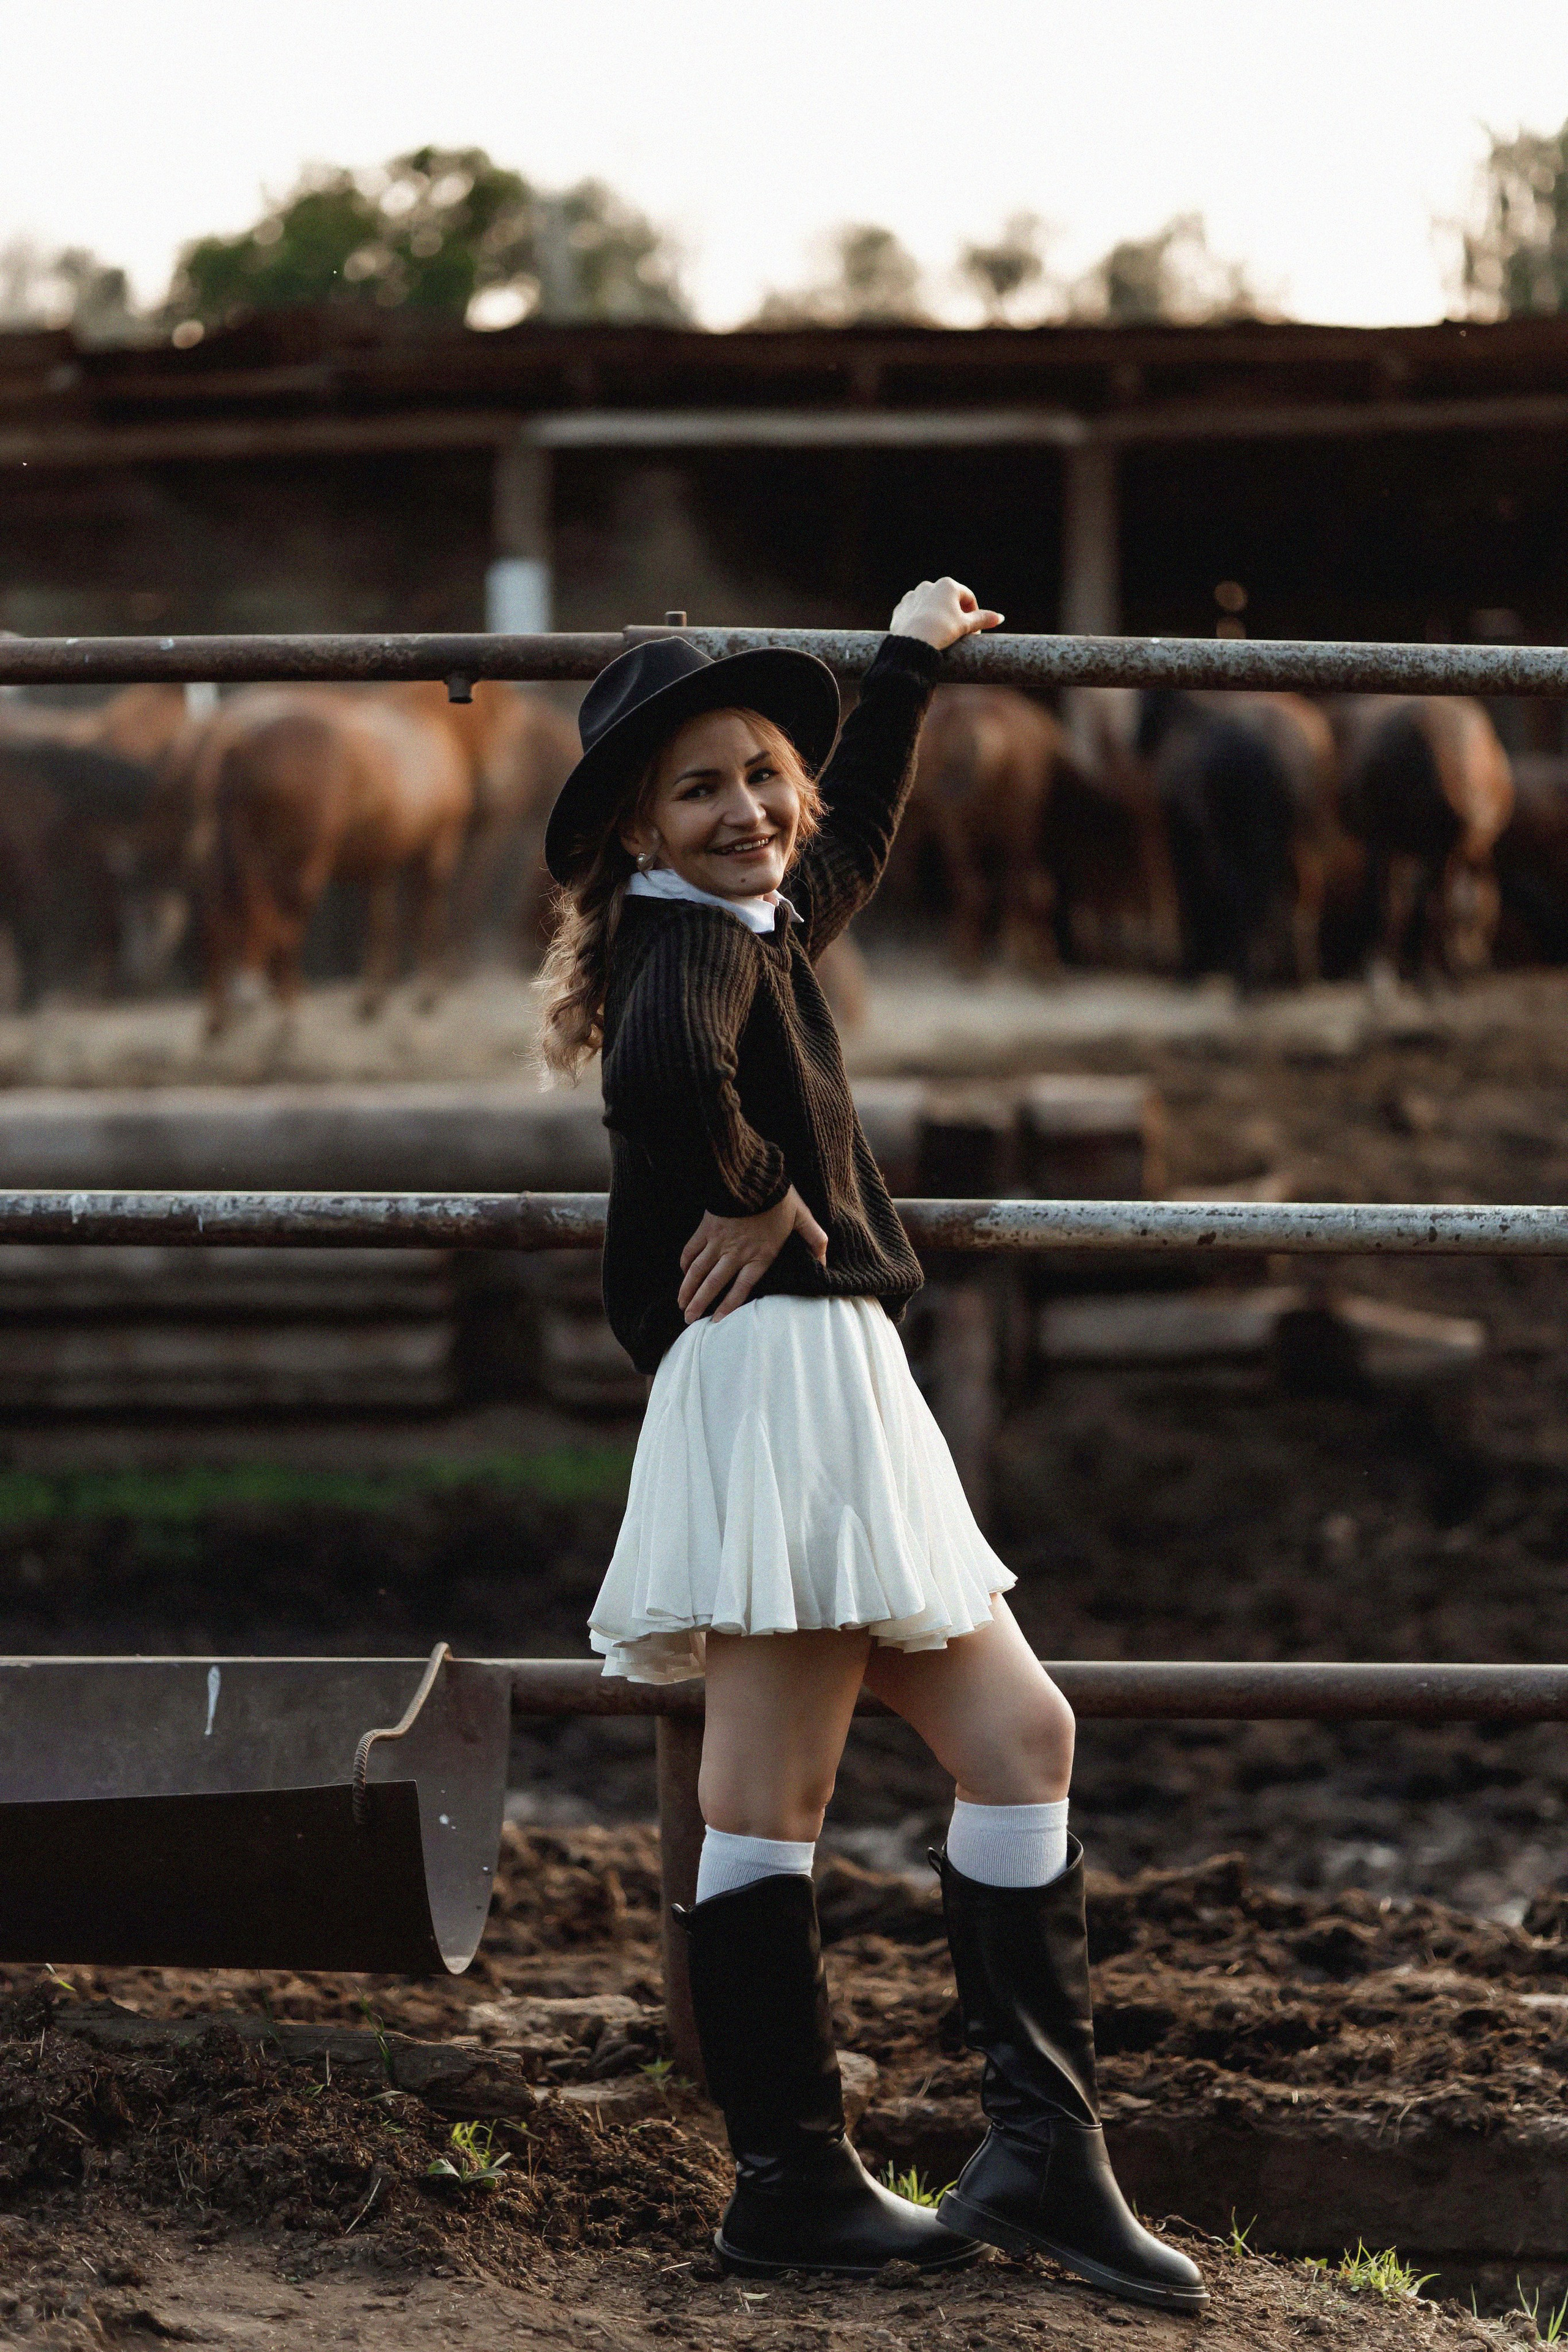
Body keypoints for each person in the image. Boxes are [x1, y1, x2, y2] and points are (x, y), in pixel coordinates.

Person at [537, 580, 1205, 2310]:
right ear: (636, 829)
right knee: (780, 1791)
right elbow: (670, 1077)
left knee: (1014, 1734)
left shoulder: (749, 916)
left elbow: (853, 856)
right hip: (777, 1380)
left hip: (823, 1379)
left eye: (767, 773)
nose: (749, 808)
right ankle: (801, 2179)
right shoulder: (685, 946)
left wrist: (905, 665)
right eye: (699, 790)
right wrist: (762, 1202)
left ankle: (1028, 2157)